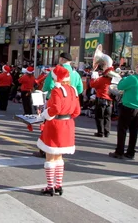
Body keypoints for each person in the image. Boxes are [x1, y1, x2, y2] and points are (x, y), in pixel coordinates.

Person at [37, 65, 81, 197]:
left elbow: (55, 108)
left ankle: (50, 186)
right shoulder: (73, 90)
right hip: (68, 124)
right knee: (59, 156)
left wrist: (44, 115)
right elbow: (77, 111)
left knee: (50, 156)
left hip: (55, 124)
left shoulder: (57, 90)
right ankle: (59, 185)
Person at [109, 61, 138, 160]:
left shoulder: (133, 78)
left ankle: (119, 151)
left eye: (137, 66)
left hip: (129, 106)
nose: (135, 68)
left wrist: (125, 77)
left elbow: (120, 86)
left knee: (122, 129)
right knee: (134, 130)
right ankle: (131, 152)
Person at [90, 65, 114, 138]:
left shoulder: (101, 79)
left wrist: (93, 77)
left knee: (100, 116)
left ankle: (101, 132)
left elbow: (92, 85)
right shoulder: (113, 80)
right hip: (110, 100)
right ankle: (107, 132)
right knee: (107, 117)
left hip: (101, 99)